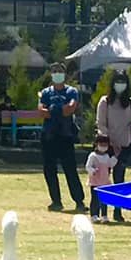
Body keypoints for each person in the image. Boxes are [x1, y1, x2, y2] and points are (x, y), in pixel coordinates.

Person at [40, 67, 86, 212]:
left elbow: (71, 108)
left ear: (64, 75)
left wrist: (54, 110)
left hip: (65, 135)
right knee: (49, 169)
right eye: (55, 71)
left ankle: (79, 201)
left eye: (60, 71)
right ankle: (56, 201)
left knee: (70, 169)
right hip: (49, 135)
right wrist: (60, 110)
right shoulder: (46, 92)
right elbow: (41, 111)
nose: (57, 74)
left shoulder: (71, 91)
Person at [95, 71, 131, 180]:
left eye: (123, 82)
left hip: (125, 145)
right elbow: (101, 124)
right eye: (117, 81)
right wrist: (110, 143)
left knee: (119, 176)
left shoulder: (130, 103)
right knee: (102, 177)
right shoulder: (105, 101)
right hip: (106, 145)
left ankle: (118, 197)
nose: (120, 84)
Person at [85, 132, 120, 222]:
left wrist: (116, 156)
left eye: (105, 145)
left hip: (105, 182)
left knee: (104, 199)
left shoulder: (107, 156)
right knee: (95, 199)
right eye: (101, 144)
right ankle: (94, 215)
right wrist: (92, 171)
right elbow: (88, 166)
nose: (103, 146)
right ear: (96, 144)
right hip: (95, 181)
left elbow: (110, 164)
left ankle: (104, 215)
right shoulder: (93, 156)